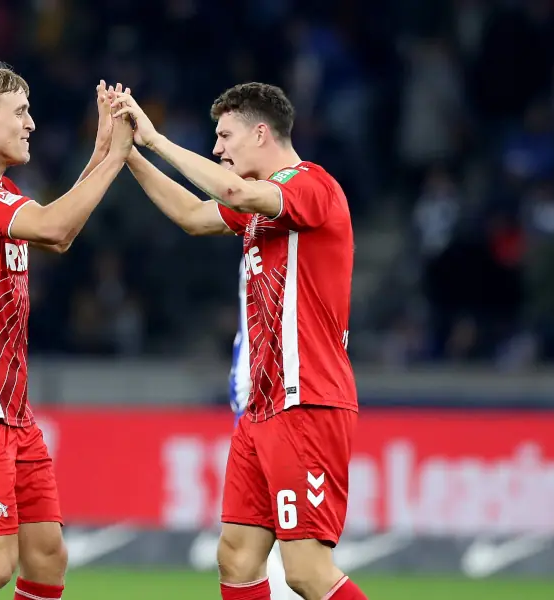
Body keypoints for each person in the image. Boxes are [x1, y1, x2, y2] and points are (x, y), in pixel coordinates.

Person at [115, 83, 366, 600]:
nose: (218, 149)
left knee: (306, 571)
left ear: (260, 132)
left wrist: (158, 141)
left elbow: (231, 192)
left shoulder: (311, 186)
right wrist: (127, 154)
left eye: (225, 136)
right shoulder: (259, 209)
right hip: (262, 405)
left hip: (307, 399)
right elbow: (191, 215)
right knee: (237, 554)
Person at [0, 66, 132, 600]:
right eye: (21, 113)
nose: (31, 123)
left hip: (10, 408)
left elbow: (57, 234)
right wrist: (118, 160)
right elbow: (55, 226)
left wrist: (101, 152)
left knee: (47, 558)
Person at [229, 259, 301, 600]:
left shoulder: (288, 238)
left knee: (298, 563)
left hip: (273, 401)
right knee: (245, 551)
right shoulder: (254, 242)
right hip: (254, 400)